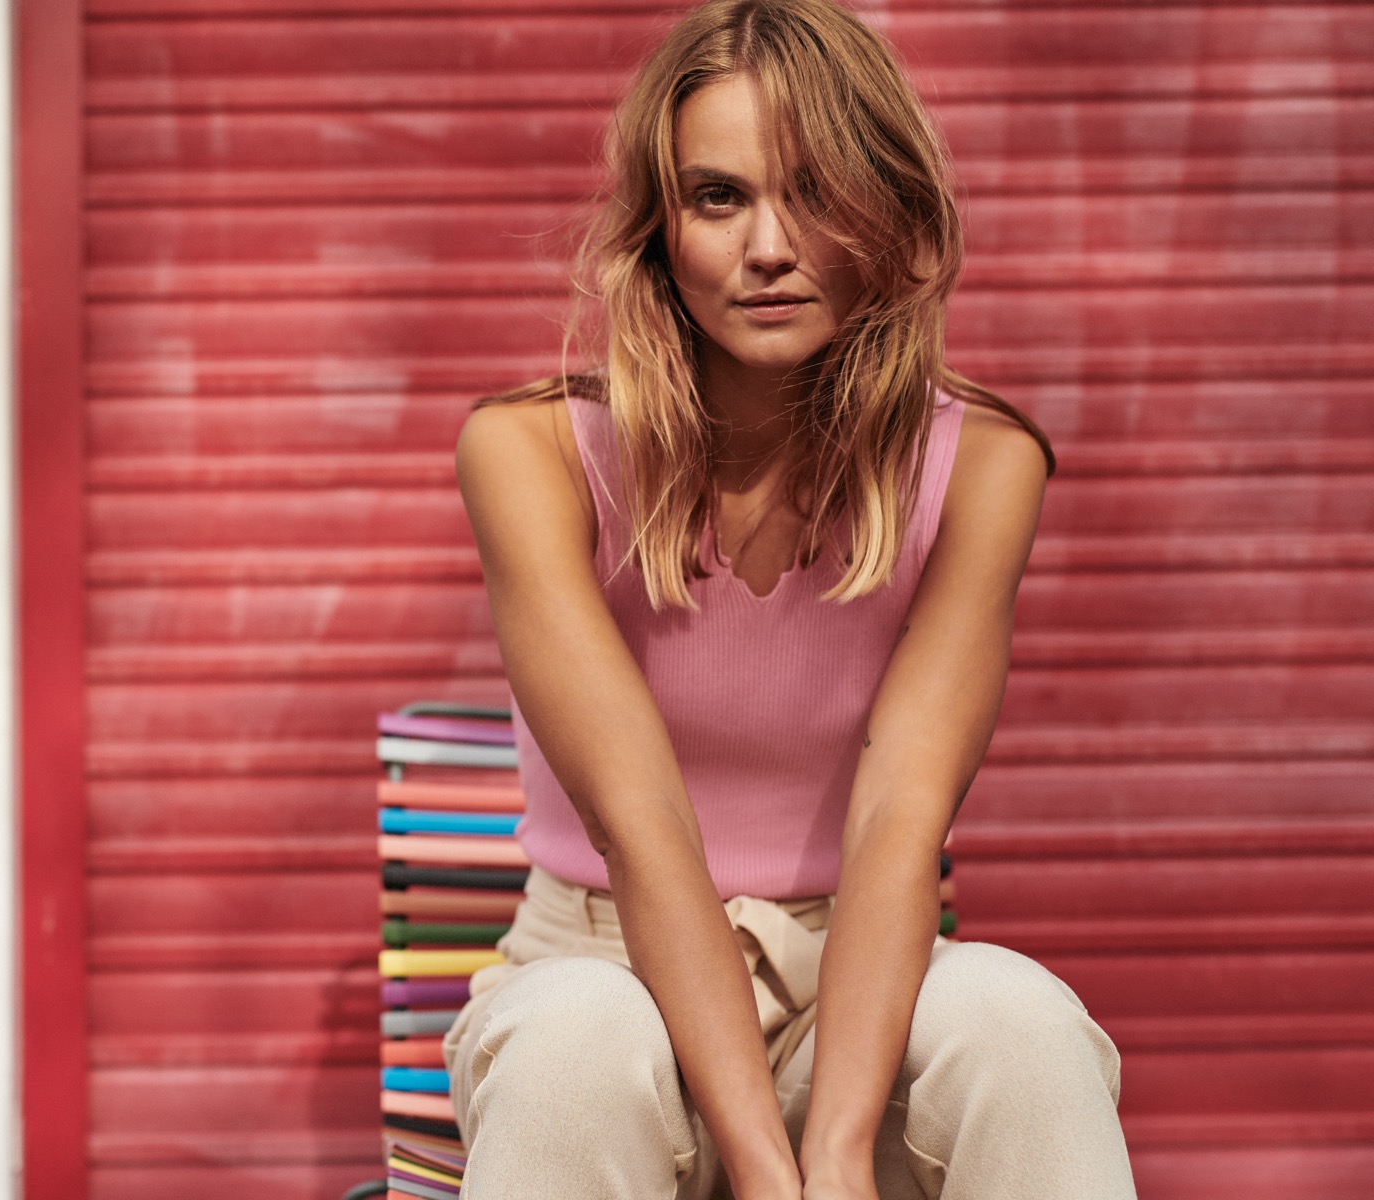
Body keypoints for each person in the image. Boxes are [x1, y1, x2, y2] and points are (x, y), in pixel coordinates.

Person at [445, 1, 1138, 1197]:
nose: (770, 246)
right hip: (607, 974)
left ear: (888, 211)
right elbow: (641, 824)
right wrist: (770, 1178)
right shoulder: (533, 454)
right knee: (571, 1048)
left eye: (815, 193)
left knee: (1018, 1022)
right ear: (661, 230)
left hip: (857, 995)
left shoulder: (980, 466)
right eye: (720, 198)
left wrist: (832, 1152)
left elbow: (896, 824)